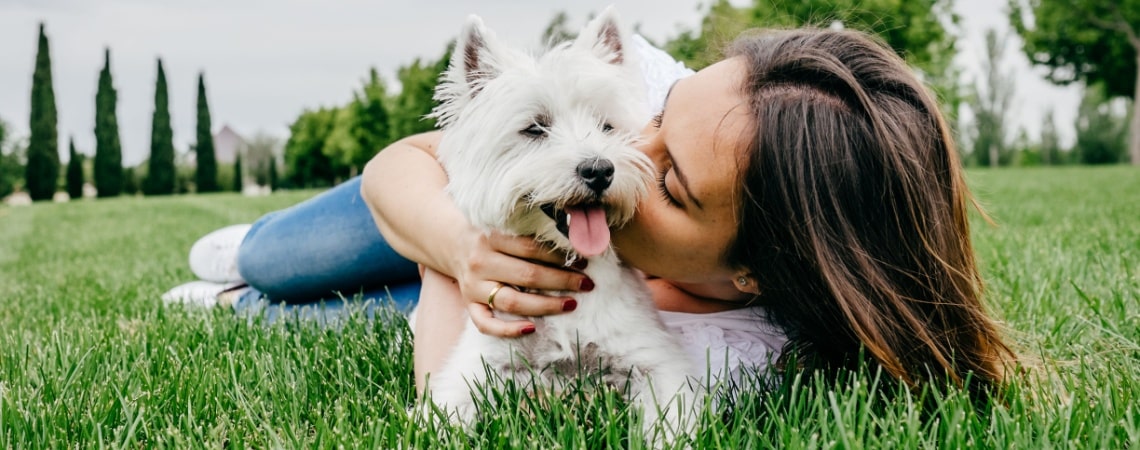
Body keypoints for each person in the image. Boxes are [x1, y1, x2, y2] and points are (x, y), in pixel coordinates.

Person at [169, 27, 1015, 399]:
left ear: (753, 269)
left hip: (491, 293)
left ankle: (234, 306)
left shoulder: (732, 356)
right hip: (431, 209)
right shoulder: (623, 94)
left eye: (672, 180)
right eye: (661, 116)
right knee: (281, 262)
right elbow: (409, 164)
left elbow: (447, 384)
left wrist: (458, 289)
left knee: (318, 322)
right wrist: (458, 246)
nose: (628, 154)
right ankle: (247, 254)